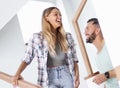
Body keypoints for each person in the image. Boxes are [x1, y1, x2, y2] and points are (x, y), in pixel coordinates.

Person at [12, 7, 80, 88]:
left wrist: (77, 77)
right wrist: (17, 74)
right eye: (56, 14)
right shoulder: (37, 38)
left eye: (60, 15)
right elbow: (27, 59)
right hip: (48, 77)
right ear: (46, 17)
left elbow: (75, 60)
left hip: (66, 74)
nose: (60, 17)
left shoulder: (67, 37)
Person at [84, 18, 119, 88]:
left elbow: (105, 76)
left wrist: (105, 75)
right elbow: (106, 81)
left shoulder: (111, 45)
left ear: (97, 30)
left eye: (87, 29)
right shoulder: (97, 57)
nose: (84, 33)